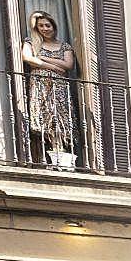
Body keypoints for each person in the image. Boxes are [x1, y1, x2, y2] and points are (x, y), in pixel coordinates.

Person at [20, 11, 77, 165]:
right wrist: (53, 66)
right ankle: (49, 156)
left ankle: (61, 153)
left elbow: (68, 65)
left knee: (59, 119)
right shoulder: (31, 41)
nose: (45, 28)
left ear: (54, 26)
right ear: (36, 28)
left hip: (59, 86)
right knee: (45, 118)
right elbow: (27, 58)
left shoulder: (64, 45)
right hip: (40, 85)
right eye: (41, 26)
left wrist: (43, 57)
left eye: (47, 25)